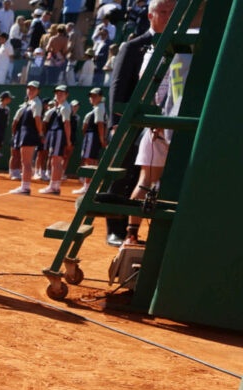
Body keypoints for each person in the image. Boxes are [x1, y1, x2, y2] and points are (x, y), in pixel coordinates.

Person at [102, 0, 170, 246]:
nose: (168, 16)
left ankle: (136, 230)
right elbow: (118, 87)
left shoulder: (180, 46)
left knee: (144, 179)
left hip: (160, 125)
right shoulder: (133, 46)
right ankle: (115, 230)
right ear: (151, 15)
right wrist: (115, 124)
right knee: (121, 176)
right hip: (130, 124)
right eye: (163, 11)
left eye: (172, 11)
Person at [8, 80, 43, 193]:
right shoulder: (30, 103)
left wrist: (40, 133)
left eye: (34, 89)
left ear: (38, 91)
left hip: (30, 133)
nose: (30, 90)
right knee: (25, 161)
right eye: (29, 88)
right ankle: (24, 186)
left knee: (26, 162)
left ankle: (25, 187)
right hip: (25, 133)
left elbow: (37, 119)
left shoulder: (36, 103)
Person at [73, 87, 106, 194]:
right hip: (93, 137)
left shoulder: (99, 108)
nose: (92, 98)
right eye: (91, 96)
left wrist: (101, 139)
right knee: (92, 161)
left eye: (95, 96)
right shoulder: (98, 108)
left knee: (90, 161)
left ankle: (87, 187)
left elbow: (100, 124)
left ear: (100, 97)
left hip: (94, 137)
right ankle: (90, 186)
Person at [39, 84, 71, 194]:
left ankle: (53, 186)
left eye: (61, 93)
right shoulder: (59, 107)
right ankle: (55, 186)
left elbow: (67, 124)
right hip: (56, 134)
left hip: (59, 135)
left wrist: (68, 140)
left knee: (56, 161)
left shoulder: (65, 107)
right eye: (57, 93)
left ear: (67, 95)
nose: (58, 95)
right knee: (54, 161)